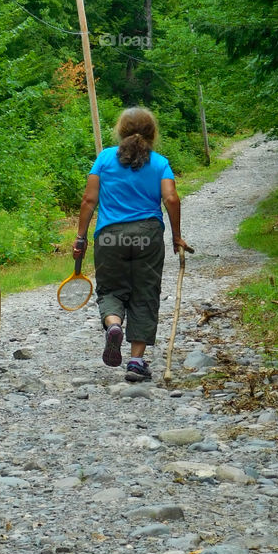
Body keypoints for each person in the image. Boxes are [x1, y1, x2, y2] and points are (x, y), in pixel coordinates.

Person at [72, 107, 189, 383]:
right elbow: (171, 198)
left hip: (110, 235)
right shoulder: (160, 163)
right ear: (152, 133)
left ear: (120, 131)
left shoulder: (103, 159)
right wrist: (176, 235)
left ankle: (113, 325)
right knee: (145, 292)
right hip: (147, 234)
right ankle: (136, 362)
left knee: (111, 289)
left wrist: (80, 237)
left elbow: (89, 200)